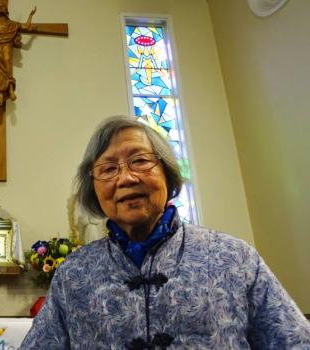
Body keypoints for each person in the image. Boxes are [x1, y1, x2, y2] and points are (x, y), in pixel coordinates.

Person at [21, 116, 310, 349]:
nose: (126, 177)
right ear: (94, 191)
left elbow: (295, 341)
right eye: (108, 168)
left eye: (140, 160)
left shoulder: (234, 258)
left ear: (167, 172)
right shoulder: (74, 274)